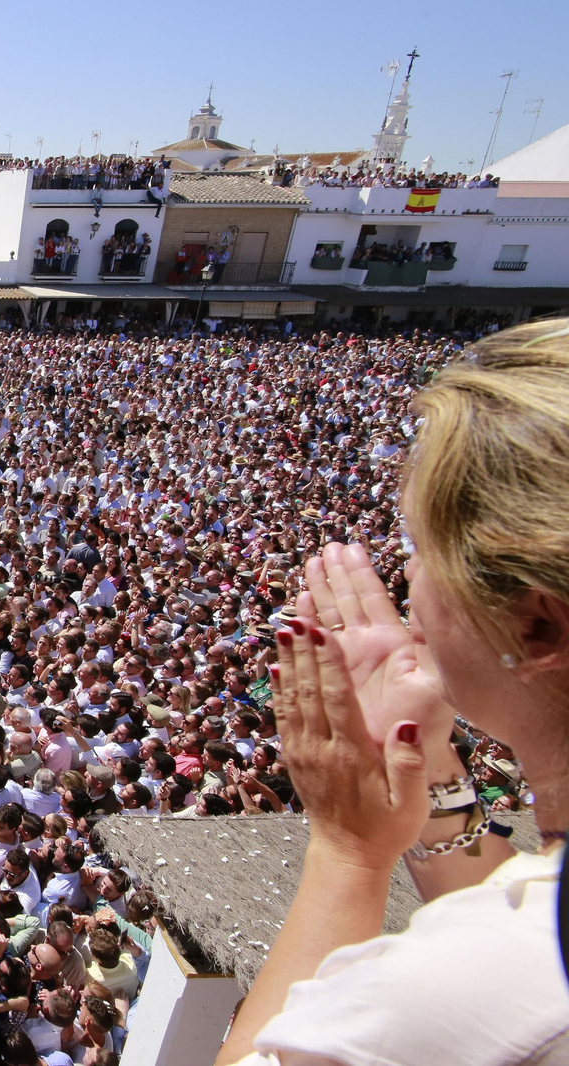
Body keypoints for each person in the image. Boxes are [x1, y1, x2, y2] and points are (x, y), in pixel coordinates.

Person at [219, 319, 569, 1065]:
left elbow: (499, 976)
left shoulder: (436, 1000)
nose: (408, 579)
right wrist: (426, 775)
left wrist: (350, 853)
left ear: (538, 625)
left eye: (421, 548)